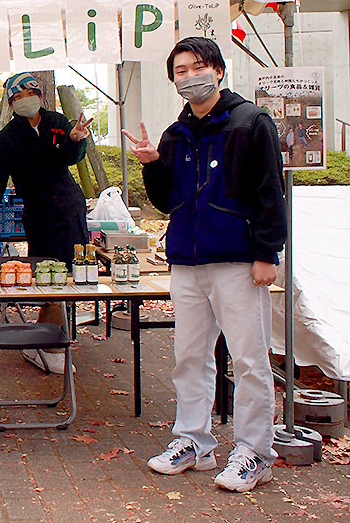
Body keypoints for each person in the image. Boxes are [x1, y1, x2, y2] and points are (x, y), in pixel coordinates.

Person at [122, 36, 285, 493]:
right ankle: (193, 440)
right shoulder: (177, 132)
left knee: (249, 359)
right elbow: (166, 201)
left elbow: (271, 190)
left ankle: (255, 451)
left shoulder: (250, 121)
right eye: (180, 71)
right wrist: (152, 164)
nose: (189, 77)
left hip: (237, 259)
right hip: (187, 260)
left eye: (197, 67)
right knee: (189, 356)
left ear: (216, 68)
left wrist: (267, 252)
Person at [0, 72, 92, 374]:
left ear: (40, 95)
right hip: (40, 213)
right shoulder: (6, 139)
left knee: (72, 278)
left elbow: (73, 157)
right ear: (10, 104)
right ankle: (44, 344)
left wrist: (75, 140)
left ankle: (56, 339)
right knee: (50, 278)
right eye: (16, 97)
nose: (24, 101)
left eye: (28, 94)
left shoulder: (58, 123)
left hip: (70, 208)